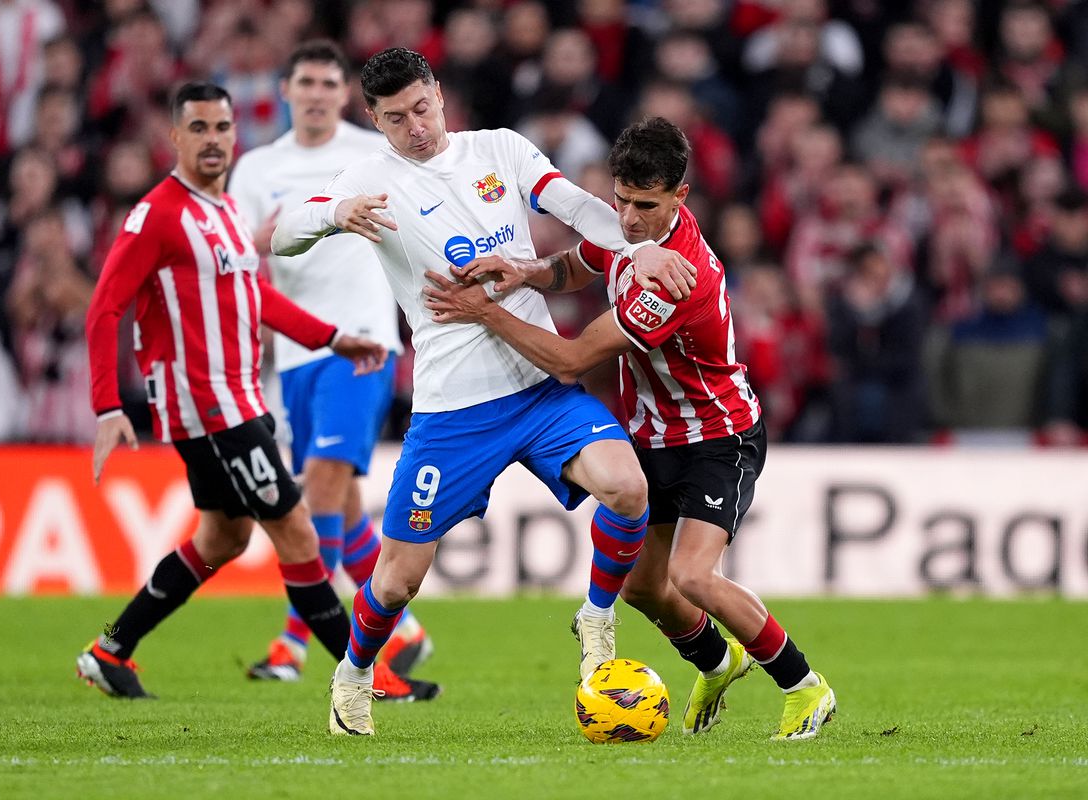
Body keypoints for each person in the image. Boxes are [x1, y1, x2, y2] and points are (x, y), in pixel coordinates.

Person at [273, 48, 697, 736]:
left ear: (440, 94)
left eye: (422, 106)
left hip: (540, 388)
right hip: (453, 412)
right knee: (396, 582)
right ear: (375, 121)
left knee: (628, 489)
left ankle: (595, 617)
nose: (415, 126)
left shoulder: (498, 148)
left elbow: (577, 206)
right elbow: (284, 235)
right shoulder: (369, 178)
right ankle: (353, 673)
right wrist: (337, 212)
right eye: (395, 117)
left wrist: (635, 248)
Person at [423, 117, 837, 741]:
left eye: (647, 205)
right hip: (654, 435)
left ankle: (806, 687)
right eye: (620, 201)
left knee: (692, 576)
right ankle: (718, 664)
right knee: (643, 585)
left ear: (681, 197)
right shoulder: (626, 237)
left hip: (717, 435)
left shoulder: (678, 275)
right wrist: (523, 272)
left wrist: (485, 313)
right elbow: (577, 265)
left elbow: (571, 359)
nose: (630, 219)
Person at [77, 81, 404, 701]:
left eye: (222, 128)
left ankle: (110, 650)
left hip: (239, 399)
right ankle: (368, 674)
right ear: (174, 136)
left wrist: (332, 338)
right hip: (207, 407)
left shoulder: (225, 211)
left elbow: (255, 296)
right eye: (198, 128)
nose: (212, 140)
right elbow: (104, 309)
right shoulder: (157, 216)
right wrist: (107, 406)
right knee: (298, 532)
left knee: (222, 537)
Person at [227, 39, 435, 694]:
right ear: (284, 90)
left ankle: (294, 643)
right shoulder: (257, 168)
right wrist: (282, 232)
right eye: (305, 82)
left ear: (346, 95)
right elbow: (236, 253)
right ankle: (404, 631)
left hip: (363, 341)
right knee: (340, 510)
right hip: (293, 352)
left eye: (328, 83)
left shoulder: (370, 156)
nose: (316, 93)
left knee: (315, 488)